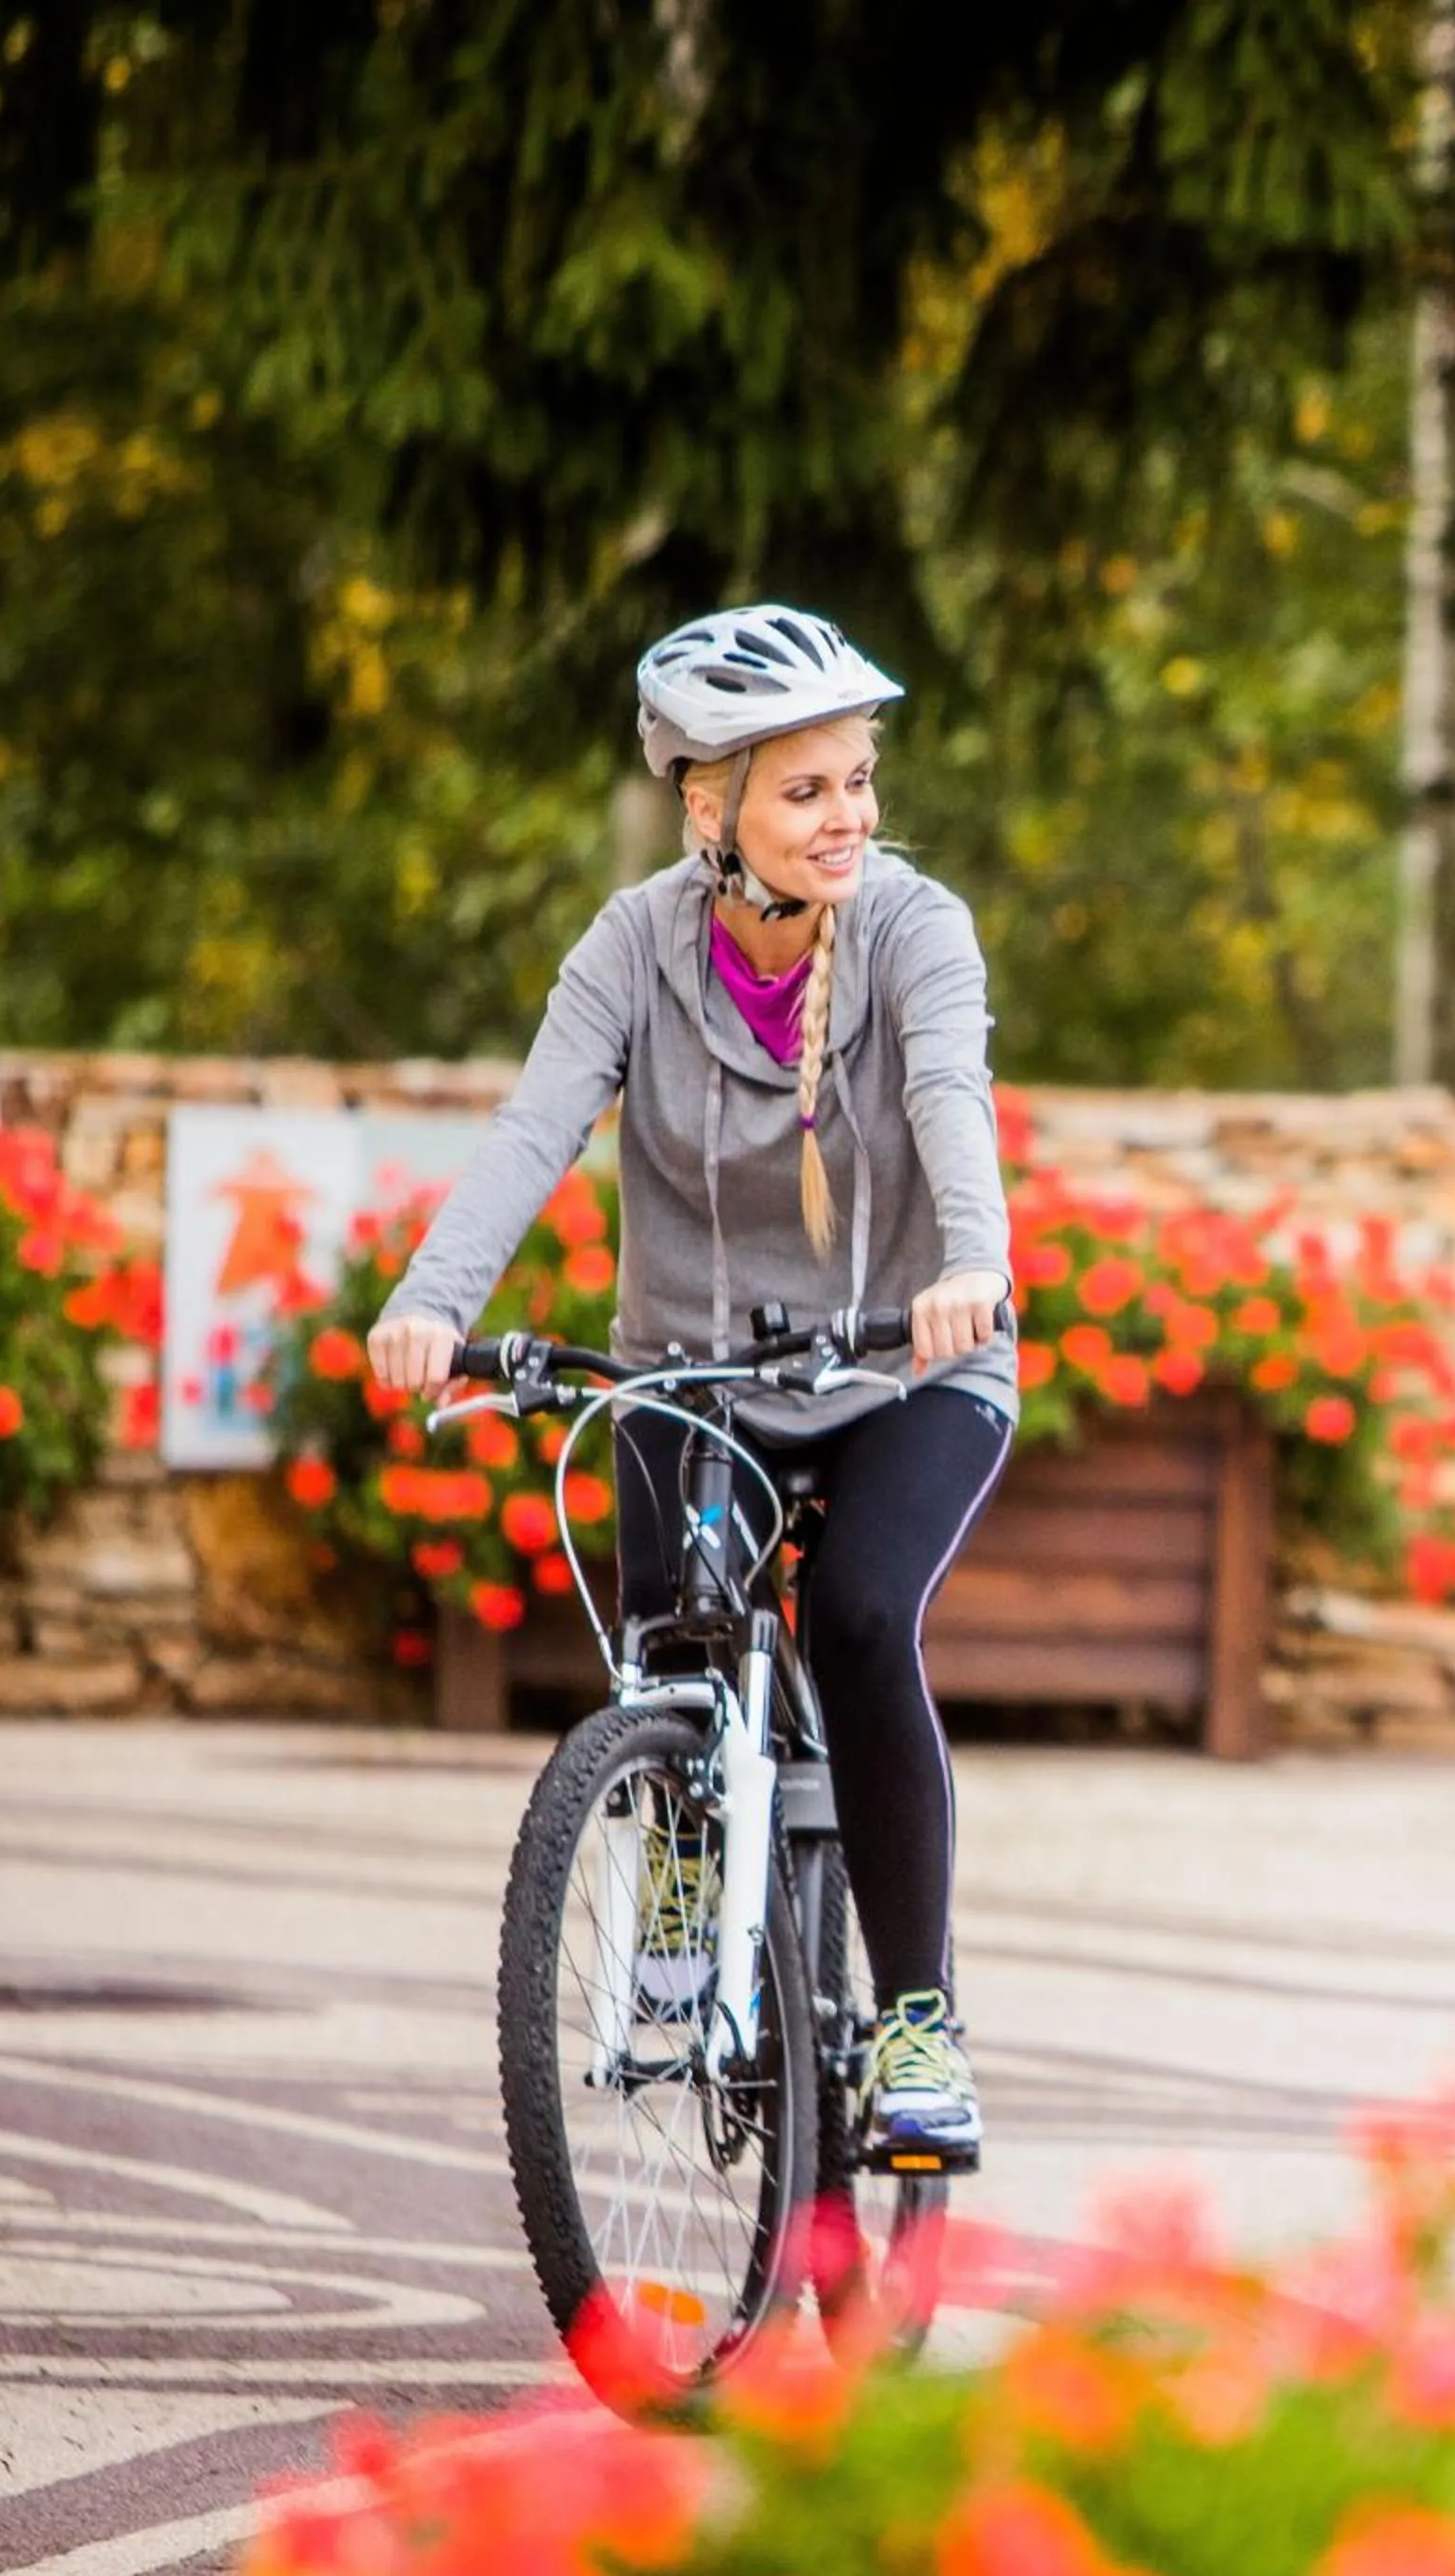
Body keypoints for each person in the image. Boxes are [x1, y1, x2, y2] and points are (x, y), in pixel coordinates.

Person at [368, 604, 1015, 2170]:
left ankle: (918, 2021)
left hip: (900, 1366)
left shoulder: (917, 928)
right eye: (808, 792)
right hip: (696, 1367)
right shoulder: (630, 948)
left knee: (861, 1615)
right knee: (668, 1649)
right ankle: (679, 1854)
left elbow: (949, 1093)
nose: (850, 815)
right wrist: (433, 1303)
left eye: (859, 780)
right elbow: (535, 1130)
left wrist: (972, 1263)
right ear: (707, 809)